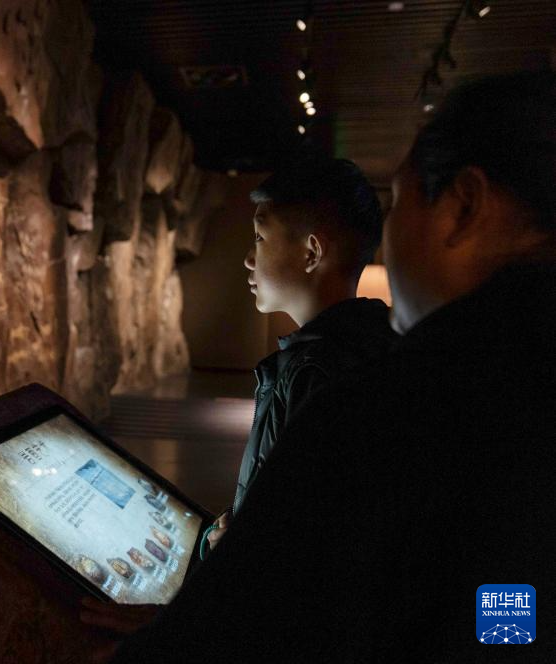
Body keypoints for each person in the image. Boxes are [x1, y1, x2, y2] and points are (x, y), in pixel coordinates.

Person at [97, 70, 556, 662]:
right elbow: (502, 615)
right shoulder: (506, 387)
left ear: (464, 206)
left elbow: (282, 608)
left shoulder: (385, 402)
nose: (387, 234)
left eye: (399, 203)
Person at [82, 153, 397, 637]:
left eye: (260, 237)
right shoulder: (373, 353)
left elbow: (296, 569)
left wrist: (177, 627)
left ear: (312, 252)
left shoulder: (311, 378)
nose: (249, 258)